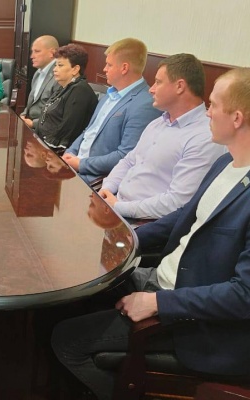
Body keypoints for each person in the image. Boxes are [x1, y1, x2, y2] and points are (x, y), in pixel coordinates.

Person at [52, 68, 250, 400]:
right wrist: (119, 241)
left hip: (198, 324)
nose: (207, 112)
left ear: (237, 118)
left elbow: (243, 295)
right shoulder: (225, 164)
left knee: (66, 339)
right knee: (67, 301)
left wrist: (158, 302)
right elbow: (182, 219)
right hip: (161, 279)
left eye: (213, 105)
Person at [99, 54, 226, 219]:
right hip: (117, 203)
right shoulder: (158, 122)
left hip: (144, 222)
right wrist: (107, 188)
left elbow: (177, 202)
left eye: (158, 82)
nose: (151, 89)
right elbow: (129, 161)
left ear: (180, 86)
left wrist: (119, 207)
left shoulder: (205, 137)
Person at [62, 38, 162, 183]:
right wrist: (70, 152)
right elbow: (88, 131)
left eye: (109, 65)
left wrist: (81, 164)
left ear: (124, 68)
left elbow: (125, 155)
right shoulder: (110, 94)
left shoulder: (145, 104)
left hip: (95, 179)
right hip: (74, 166)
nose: (104, 69)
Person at [32, 43, 98, 148]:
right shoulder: (64, 86)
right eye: (55, 65)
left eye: (60, 65)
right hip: (42, 142)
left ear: (75, 69)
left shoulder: (79, 91)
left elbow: (67, 133)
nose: (54, 69)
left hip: (56, 150)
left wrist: (43, 148)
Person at [20, 35, 59, 129]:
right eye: (32, 51)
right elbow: (32, 102)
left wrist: (33, 124)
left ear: (52, 53)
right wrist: (23, 115)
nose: (32, 56)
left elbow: (56, 113)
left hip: (43, 128)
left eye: (37, 51)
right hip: (28, 122)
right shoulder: (38, 73)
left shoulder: (58, 75)